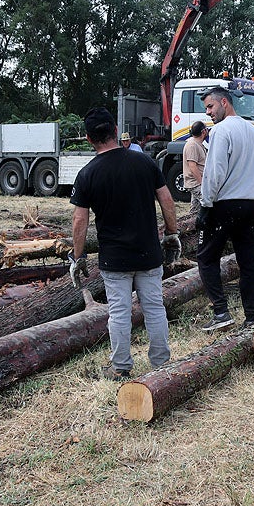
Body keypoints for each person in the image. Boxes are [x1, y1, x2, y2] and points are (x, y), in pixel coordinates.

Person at [70, 107, 180, 380]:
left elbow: (79, 221)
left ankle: (120, 367)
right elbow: (167, 199)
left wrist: (78, 257)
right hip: (148, 252)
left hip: (114, 257)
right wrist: (171, 233)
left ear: (88, 139)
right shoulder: (144, 163)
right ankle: (161, 363)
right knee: (154, 308)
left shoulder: (87, 174)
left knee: (119, 313)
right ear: (116, 132)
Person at [196, 86, 254, 331]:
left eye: (210, 106)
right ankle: (251, 316)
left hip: (225, 205)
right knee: (249, 261)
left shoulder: (222, 130)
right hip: (252, 203)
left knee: (206, 257)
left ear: (224, 102)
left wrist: (206, 206)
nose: (208, 113)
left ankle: (221, 312)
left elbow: (215, 172)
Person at [182, 121, 209, 215]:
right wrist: (202, 183)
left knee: (195, 211)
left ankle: (190, 227)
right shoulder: (192, 145)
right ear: (203, 131)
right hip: (196, 183)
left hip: (196, 183)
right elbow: (192, 166)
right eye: (206, 129)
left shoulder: (198, 144)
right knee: (210, 203)